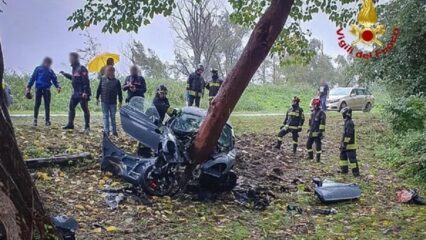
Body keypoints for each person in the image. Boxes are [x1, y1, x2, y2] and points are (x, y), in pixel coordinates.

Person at [60, 52, 91, 132]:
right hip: (75, 93)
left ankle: (87, 127)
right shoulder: (74, 69)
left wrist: (85, 92)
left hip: (82, 93)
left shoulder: (82, 68)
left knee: (85, 109)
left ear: (75, 59)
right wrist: (65, 74)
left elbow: (86, 81)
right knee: (71, 107)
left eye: (71, 58)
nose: (70, 60)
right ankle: (70, 124)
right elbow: (73, 78)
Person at [26, 57, 61, 126]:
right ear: (44, 62)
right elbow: (33, 78)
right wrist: (28, 87)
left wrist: (58, 86)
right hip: (39, 89)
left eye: (49, 64)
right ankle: (35, 120)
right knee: (37, 104)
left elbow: (54, 79)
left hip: (47, 90)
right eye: (47, 63)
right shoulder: (38, 69)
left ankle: (47, 121)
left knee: (47, 105)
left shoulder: (50, 70)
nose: (48, 65)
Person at [96, 66, 123, 136]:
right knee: (105, 116)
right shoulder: (102, 79)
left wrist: (120, 102)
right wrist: (97, 98)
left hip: (113, 102)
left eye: (110, 71)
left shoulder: (117, 81)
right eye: (107, 71)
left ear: (113, 72)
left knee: (113, 117)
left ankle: (114, 131)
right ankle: (106, 131)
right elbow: (99, 89)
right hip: (104, 101)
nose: (108, 72)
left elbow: (120, 92)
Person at [339, 107, 359, 177]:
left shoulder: (350, 123)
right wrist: (342, 144)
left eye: (343, 113)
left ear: (346, 114)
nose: (342, 114)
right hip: (345, 146)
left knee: (352, 160)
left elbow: (348, 135)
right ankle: (344, 171)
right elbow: (344, 134)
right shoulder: (346, 122)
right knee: (343, 158)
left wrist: (344, 144)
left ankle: (356, 174)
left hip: (350, 146)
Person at [306, 98, 326, 162]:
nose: (312, 106)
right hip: (312, 132)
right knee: (308, 144)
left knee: (318, 145)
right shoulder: (313, 112)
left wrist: (320, 131)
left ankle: (318, 159)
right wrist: (309, 129)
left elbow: (322, 123)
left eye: (313, 105)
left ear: (316, 105)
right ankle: (310, 156)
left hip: (317, 132)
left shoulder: (321, 113)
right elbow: (311, 122)